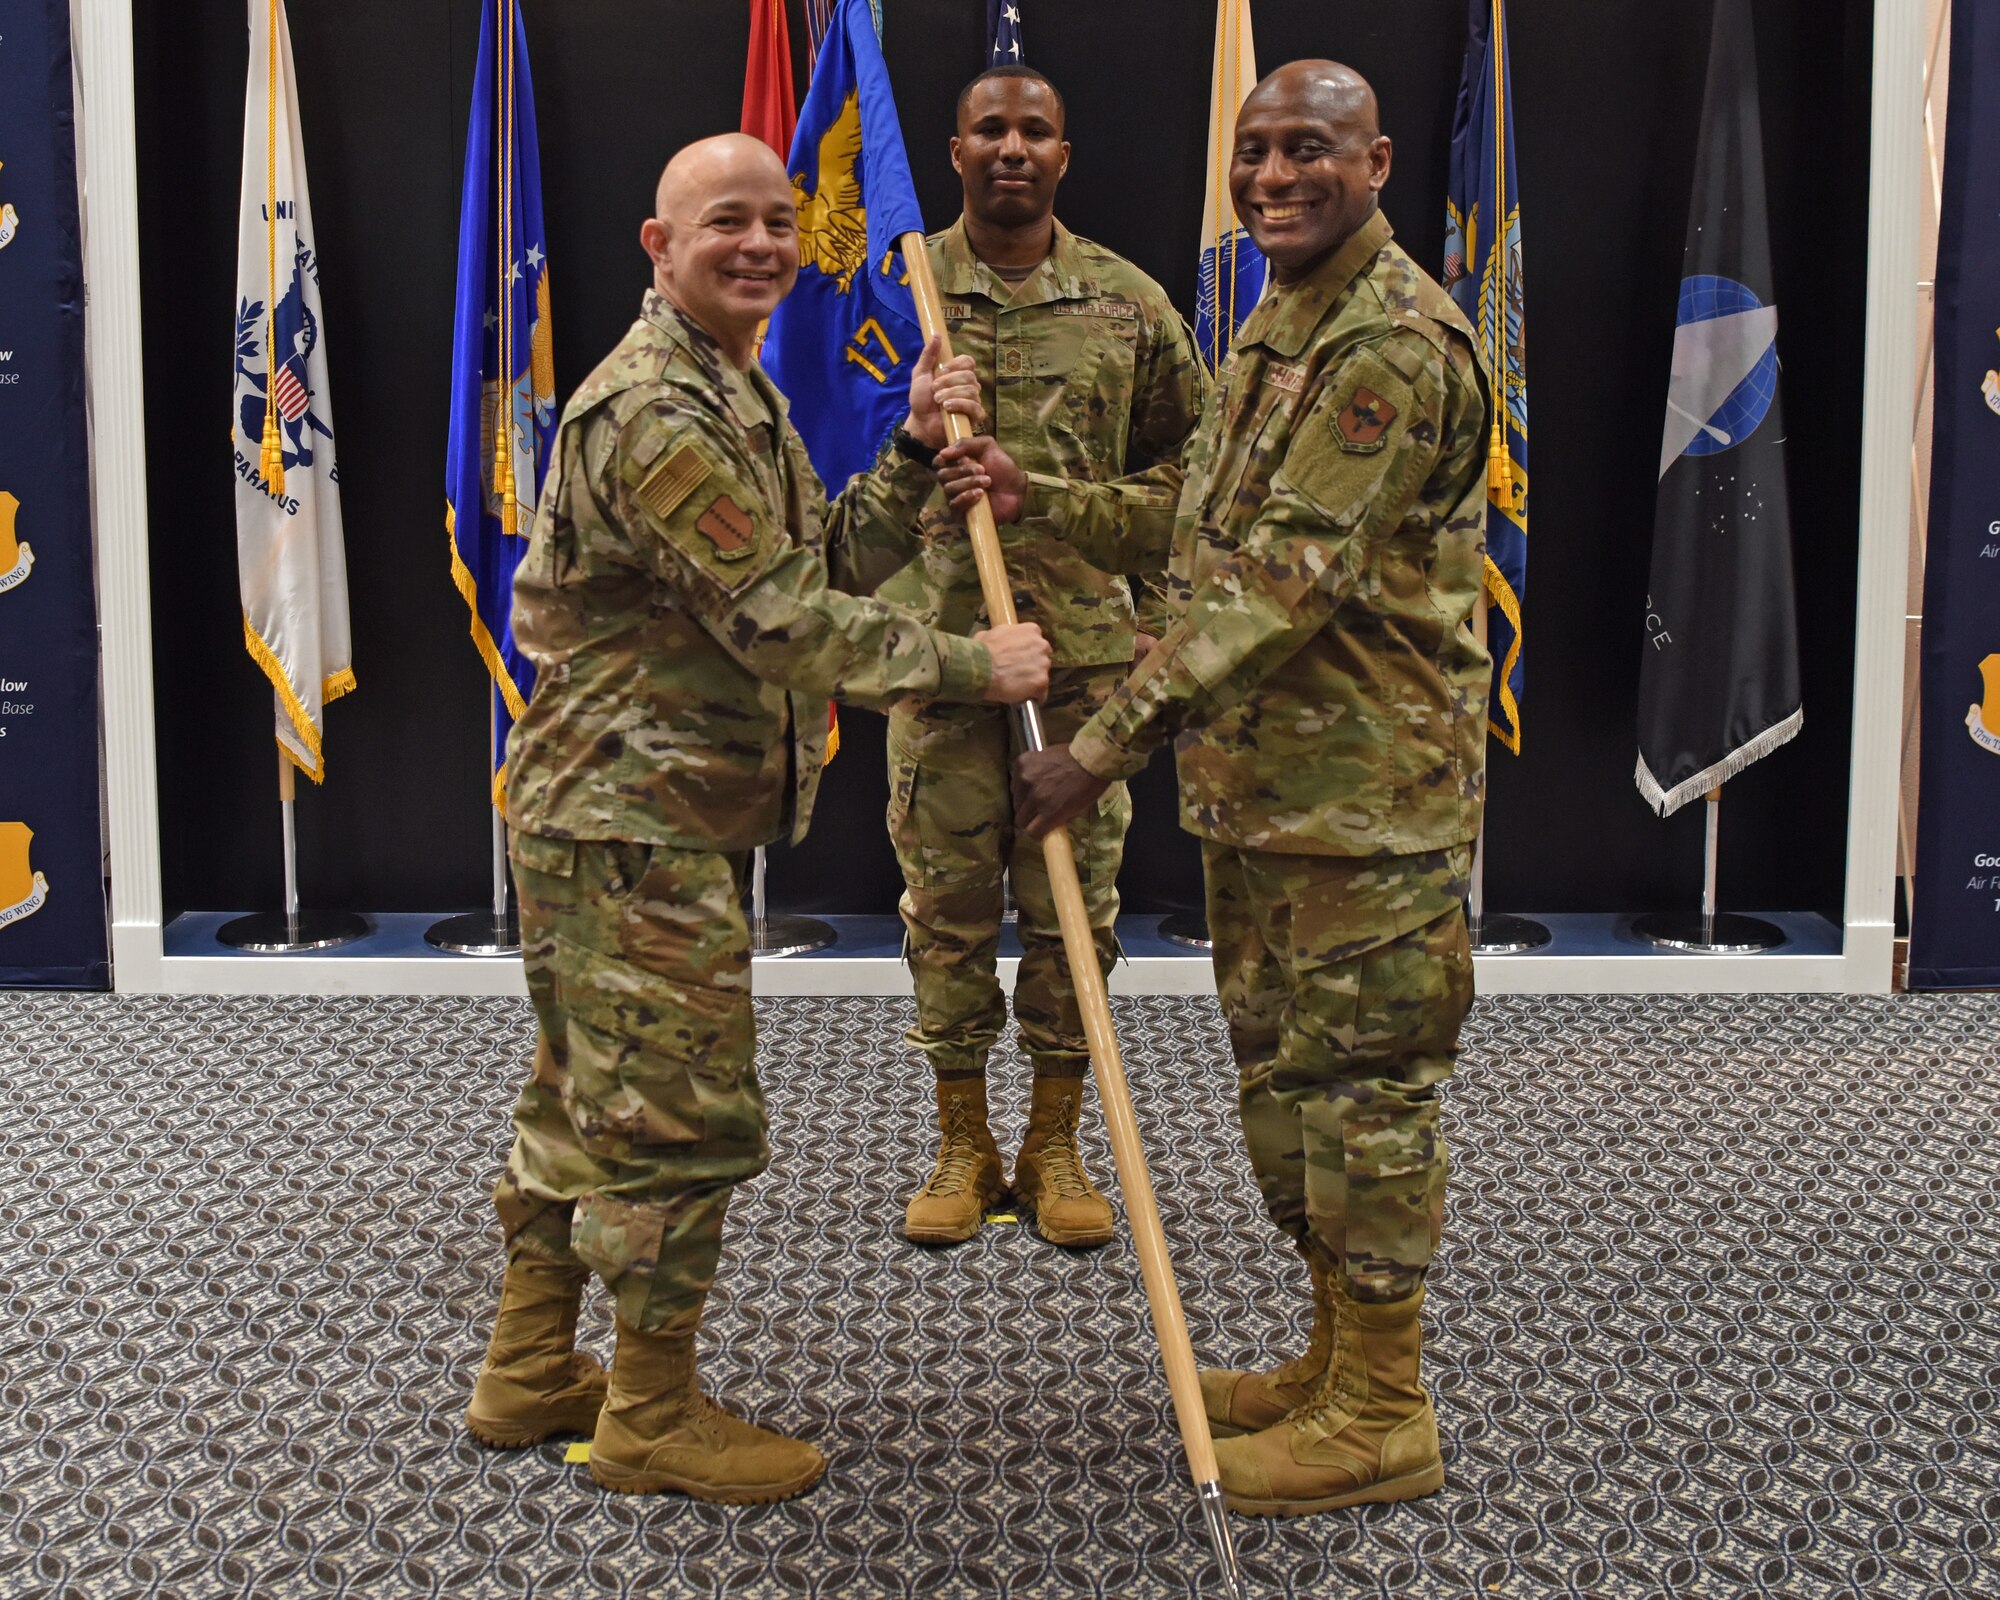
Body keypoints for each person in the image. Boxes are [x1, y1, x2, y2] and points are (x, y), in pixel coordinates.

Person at [463, 133, 1050, 1504]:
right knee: (676, 1122)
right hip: (631, 825)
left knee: (582, 1100)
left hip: (644, 816)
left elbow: (809, 562)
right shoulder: (658, 410)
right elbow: (784, 623)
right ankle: (650, 1417)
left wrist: (909, 459)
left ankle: (529, 1372)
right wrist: (977, 665)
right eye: (726, 222)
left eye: (781, 221)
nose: (763, 244)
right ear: (660, 247)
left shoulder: (731, 390)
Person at [1001, 62, 1492, 1515]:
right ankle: (1335, 1364)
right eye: (1257, 151)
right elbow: (1201, 524)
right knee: (1290, 1103)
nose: (1277, 177)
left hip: (1366, 815)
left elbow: (1279, 586)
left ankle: (1386, 1410)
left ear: (1381, 161)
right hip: (1267, 798)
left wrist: (1099, 745)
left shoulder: (1392, 345)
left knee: (1366, 1104)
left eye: (1311, 152)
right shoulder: (1282, 323)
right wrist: (1044, 496)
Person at [874, 64, 1206, 1250]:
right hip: (943, 657)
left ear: (1063, 155)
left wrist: (1085, 535)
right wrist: (910, 436)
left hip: (1079, 669)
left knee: (1078, 918)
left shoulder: (1128, 304)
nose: (1010, 148)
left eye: (1034, 132)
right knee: (947, 914)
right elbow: (842, 502)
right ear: (952, 149)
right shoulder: (898, 300)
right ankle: (961, 1139)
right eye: (988, 130)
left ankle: (1053, 1140)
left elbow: (1195, 482)